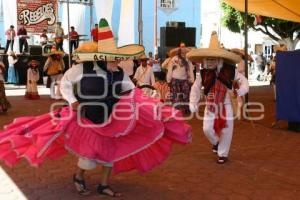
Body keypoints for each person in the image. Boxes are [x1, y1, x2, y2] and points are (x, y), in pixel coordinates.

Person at [0, 18, 192, 198]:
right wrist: (72, 101)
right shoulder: (83, 69)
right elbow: (65, 82)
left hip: (111, 121)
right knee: (89, 155)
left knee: (110, 153)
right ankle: (79, 176)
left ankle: (103, 184)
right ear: (101, 57)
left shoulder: (119, 73)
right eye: (113, 58)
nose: (117, 61)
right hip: (86, 118)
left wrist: (150, 103)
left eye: (117, 58)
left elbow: (133, 91)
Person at [189, 31, 249, 164]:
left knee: (227, 130)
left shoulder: (230, 71)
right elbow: (195, 88)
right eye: (208, 59)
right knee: (206, 129)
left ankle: (223, 154)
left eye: (213, 59)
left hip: (226, 104)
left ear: (219, 59)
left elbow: (244, 82)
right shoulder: (203, 74)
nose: (210, 62)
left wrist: (240, 91)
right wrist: (193, 102)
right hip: (210, 105)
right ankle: (216, 142)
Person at [167, 43, 194, 114]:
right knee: (175, 96)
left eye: (184, 50)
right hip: (175, 80)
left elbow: (190, 70)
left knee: (186, 95)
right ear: (178, 51)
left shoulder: (188, 60)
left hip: (185, 80)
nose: (182, 51)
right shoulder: (173, 59)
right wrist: (168, 80)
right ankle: (176, 111)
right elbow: (170, 70)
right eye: (181, 50)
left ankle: (186, 109)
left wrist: (192, 80)